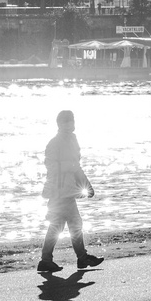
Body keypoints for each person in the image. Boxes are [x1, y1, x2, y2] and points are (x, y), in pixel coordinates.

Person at [39, 110, 103, 273]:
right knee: (67, 224)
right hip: (59, 192)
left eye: (71, 121)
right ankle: (78, 258)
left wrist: (86, 185)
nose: (70, 124)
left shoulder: (73, 140)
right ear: (59, 124)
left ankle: (53, 259)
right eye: (66, 121)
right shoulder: (54, 143)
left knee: (63, 225)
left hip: (67, 191)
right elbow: (52, 167)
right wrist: (70, 167)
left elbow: (77, 167)